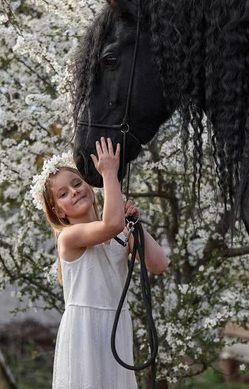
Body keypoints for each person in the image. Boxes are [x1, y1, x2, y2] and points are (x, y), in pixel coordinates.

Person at [31, 137, 169, 389]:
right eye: (63, 194)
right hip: (84, 329)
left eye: (77, 183)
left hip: (116, 327)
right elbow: (110, 224)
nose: (74, 191)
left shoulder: (118, 231)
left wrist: (135, 224)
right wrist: (109, 174)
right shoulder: (69, 238)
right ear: (59, 211)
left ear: (89, 186)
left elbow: (159, 264)